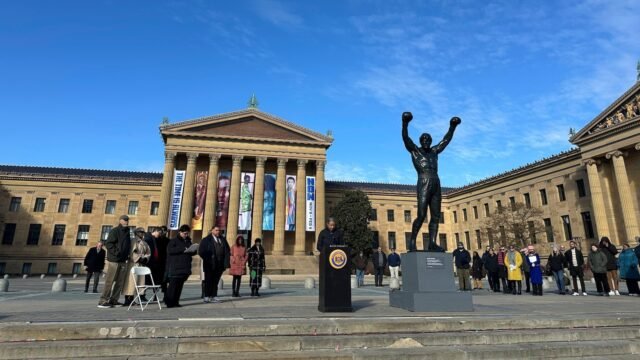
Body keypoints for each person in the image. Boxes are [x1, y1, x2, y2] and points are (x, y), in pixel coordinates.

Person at [401, 111, 460, 251]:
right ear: (421, 141)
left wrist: (452, 127)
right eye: (424, 140)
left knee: (436, 216)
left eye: (428, 140)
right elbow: (405, 138)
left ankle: (432, 243)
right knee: (421, 215)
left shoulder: (434, 151)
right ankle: (413, 241)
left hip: (436, 182)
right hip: (423, 181)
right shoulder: (415, 151)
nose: (426, 141)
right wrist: (405, 123)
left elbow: (445, 141)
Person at [98, 215, 131, 308]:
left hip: (123, 260)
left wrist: (126, 254)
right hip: (114, 260)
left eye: (127, 220)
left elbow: (127, 245)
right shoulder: (115, 231)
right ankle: (103, 300)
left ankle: (114, 300)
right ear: (120, 221)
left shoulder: (127, 232)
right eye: (125, 220)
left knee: (120, 282)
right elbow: (108, 243)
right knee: (110, 280)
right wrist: (117, 253)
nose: (126, 222)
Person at [165, 225, 198, 308]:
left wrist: (193, 250)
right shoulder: (174, 241)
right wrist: (183, 249)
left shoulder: (188, 241)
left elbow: (191, 252)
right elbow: (170, 251)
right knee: (173, 286)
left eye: (187, 233)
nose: (186, 235)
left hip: (185, 267)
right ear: (180, 232)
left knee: (179, 286)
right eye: (185, 233)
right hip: (175, 266)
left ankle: (176, 301)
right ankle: (169, 302)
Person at [198, 226, 230, 303]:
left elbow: (227, 250)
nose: (218, 232)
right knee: (208, 280)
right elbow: (201, 251)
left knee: (216, 281)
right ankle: (206, 296)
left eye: (219, 230)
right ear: (212, 230)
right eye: (216, 230)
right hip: (210, 264)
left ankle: (214, 296)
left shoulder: (222, 240)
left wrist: (226, 262)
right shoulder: (206, 240)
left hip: (220, 264)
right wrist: (208, 258)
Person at [123, 228, 151, 306]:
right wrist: (138, 258)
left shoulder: (145, 243)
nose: (142, 233)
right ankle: (128, 299)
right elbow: (132, 252)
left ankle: (137, 297)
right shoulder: (133, 241)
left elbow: (148, 252)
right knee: (131, 282)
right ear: (136, 233)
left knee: (140, 282)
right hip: (133, 264)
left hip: (141, 265)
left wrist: (145, 258)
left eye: (143, 232)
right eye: (140, 232)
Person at [157, 226, 170, 293]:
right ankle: (155, 295)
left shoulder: (168, 240)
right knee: (157, 278)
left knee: (164, 278)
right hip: (157, 261)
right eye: (162, 231)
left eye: (165, 231)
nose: (164, 232)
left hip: (165, 261)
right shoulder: (156, 239)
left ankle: (164, 292)